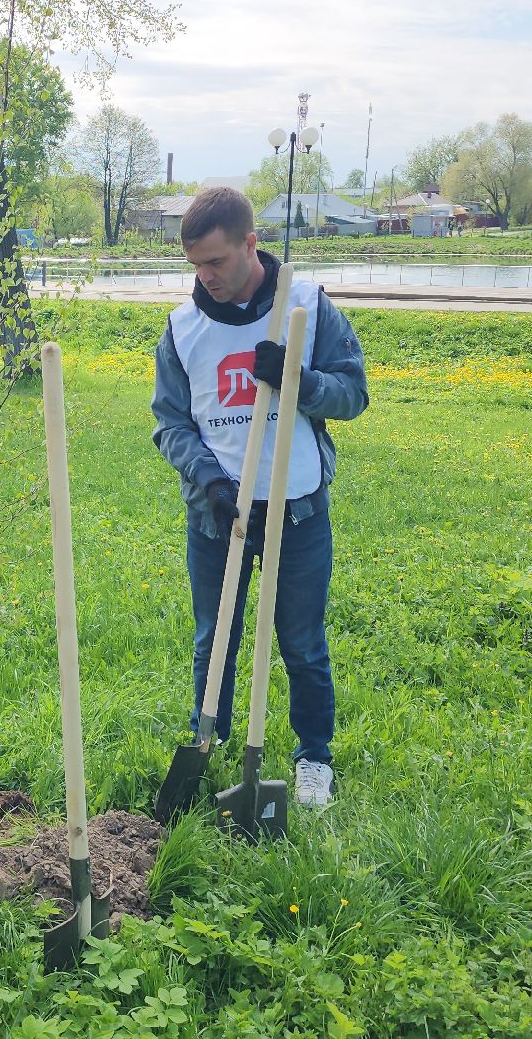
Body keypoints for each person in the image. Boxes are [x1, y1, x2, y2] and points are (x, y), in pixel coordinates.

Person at [151, 187, 369, 809]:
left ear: (251, 243)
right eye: (195, 264)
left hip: (296, 507)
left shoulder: (305, 306)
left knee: (301, 641)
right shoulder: (183, 329)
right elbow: (170, 423)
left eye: (216, 262)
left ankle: (314, 758)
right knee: (212, 636)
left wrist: (299, 382)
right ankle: (207, 744)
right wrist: (211, 483)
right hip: (218, 515)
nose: (206, 276)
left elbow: (353, 393)